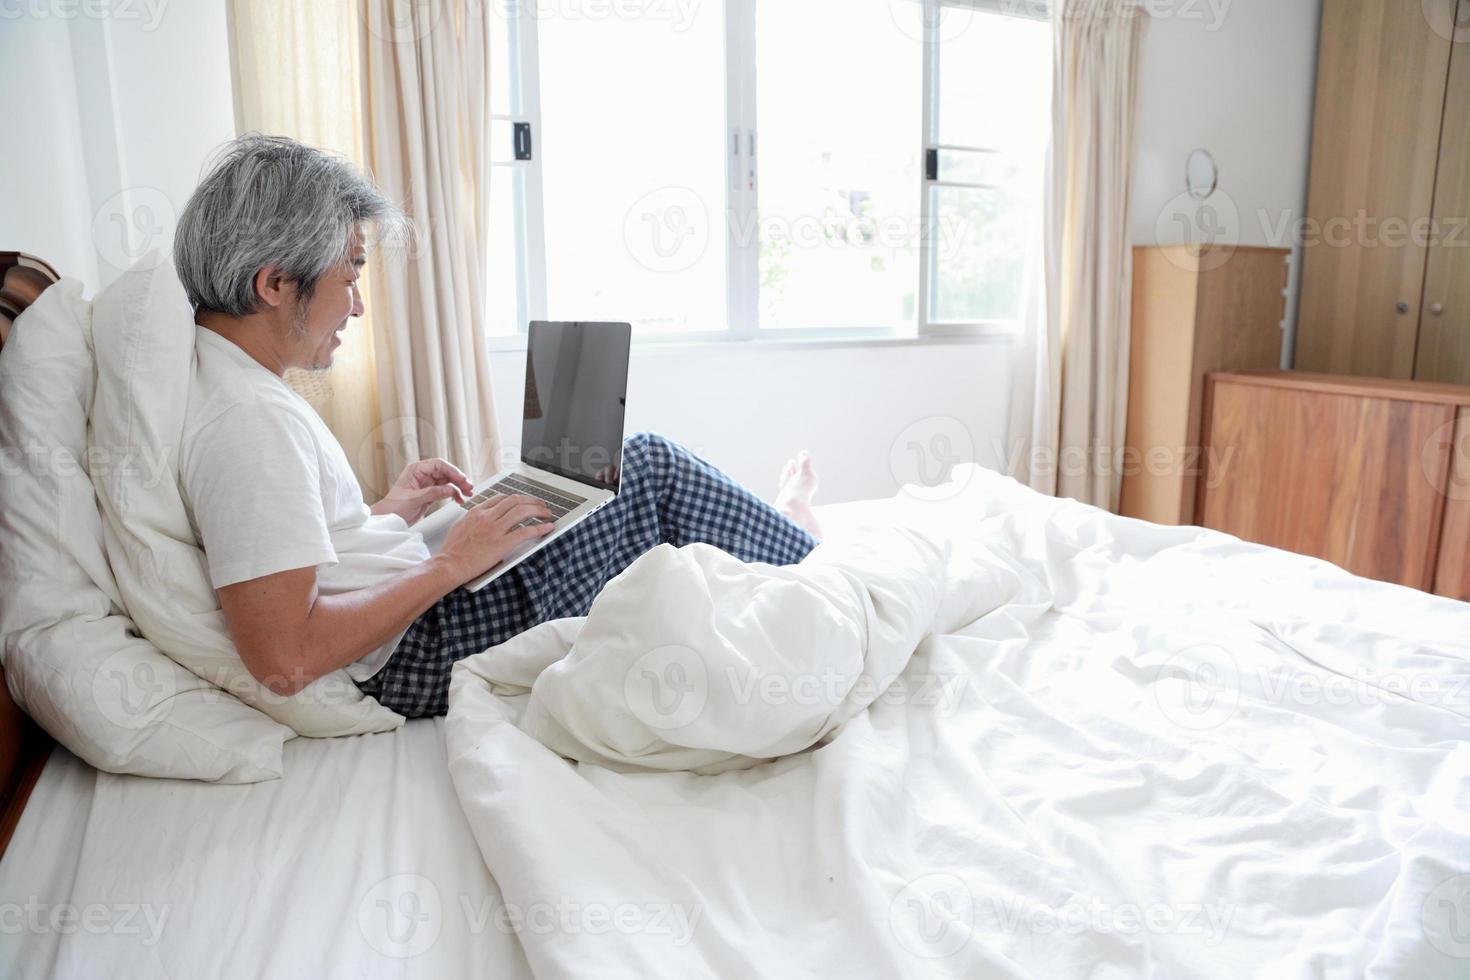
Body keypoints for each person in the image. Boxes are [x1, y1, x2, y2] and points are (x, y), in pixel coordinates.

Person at [173, 134, 822, 718]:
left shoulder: (238, 387)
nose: (358, 304)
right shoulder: (247, 425)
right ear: (276, 283)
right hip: (417, 650)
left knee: (585, 494)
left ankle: (762, 556)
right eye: (350, 276)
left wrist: (389, 514)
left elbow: (304, 562)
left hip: (415, 611)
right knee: (647, 472)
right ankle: (816, 570)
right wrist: (451, 565)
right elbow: (286, 660)